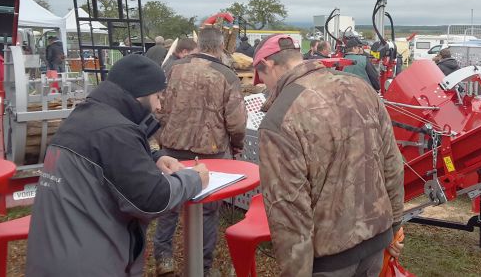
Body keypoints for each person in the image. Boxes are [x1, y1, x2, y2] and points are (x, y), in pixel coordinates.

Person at [26, 54, 209, 276]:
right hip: (89, 264)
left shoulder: (88, 117)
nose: (159, 106)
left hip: (55, 255)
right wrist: (195, 178)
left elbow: (103, 164)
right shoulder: (116, 132)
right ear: (141, 94)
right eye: (158, 97)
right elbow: (153, 199)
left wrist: (153, 158)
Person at [253, 35, 405, 277]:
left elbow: (288, 210)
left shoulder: (280, 117)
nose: (263, 84)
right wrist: (395, 225)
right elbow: (393, 164)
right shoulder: (359, 87)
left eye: (260, 75)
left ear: (269, 65)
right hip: (376, 239)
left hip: (330, 260)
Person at [154, 27, 246, 276]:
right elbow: (237, 120)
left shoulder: (174, 68)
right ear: (219, 47)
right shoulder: (226, 74)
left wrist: (163, 135)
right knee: (207, 210)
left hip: (172, 146)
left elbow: (159, 105)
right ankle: (202, 268)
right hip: (211, 151)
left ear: (199, 44)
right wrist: (237, 142)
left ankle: (164, 257)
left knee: (169, 203)